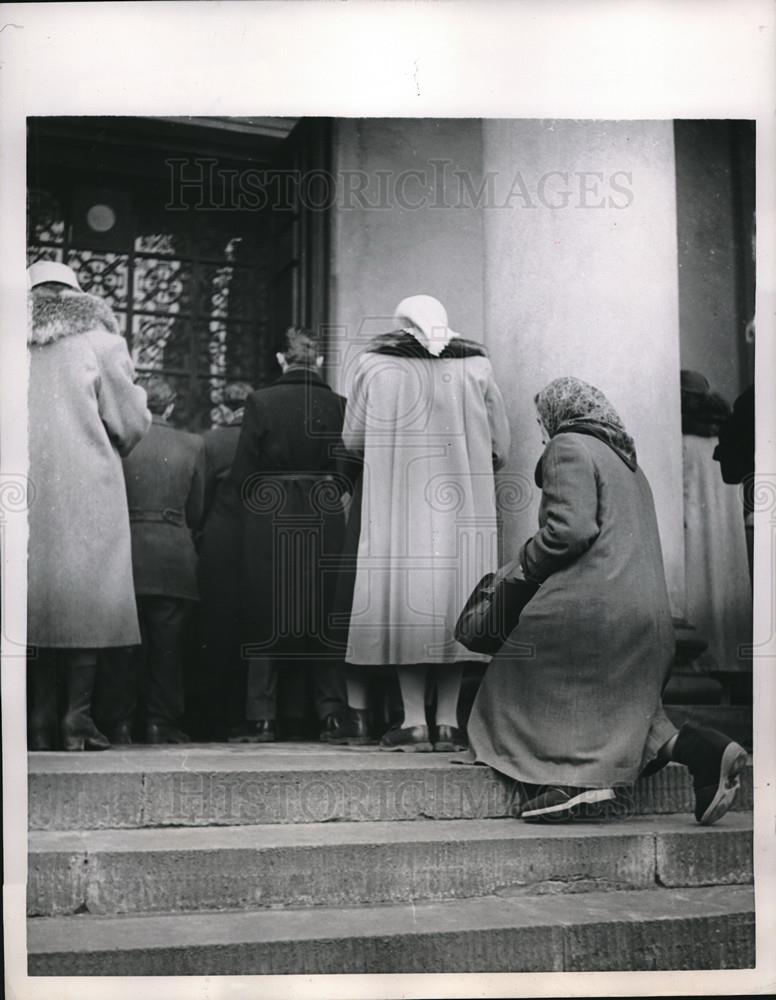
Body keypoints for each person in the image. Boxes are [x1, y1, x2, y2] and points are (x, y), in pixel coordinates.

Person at [466, 376, 747, 825]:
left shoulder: (567, 446)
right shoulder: (628, 461)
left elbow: (569, 531)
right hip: (648, 618)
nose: (542, 432)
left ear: (560, 415)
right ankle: (706, 751)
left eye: (542, 421)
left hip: (596, 611)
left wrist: (521, 568)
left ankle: (580, 782)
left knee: (513, 672)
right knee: (629, 712)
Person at [336, 295, 510, 751]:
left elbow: (351, 438)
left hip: (400, 504)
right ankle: (450, 723)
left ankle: (413, 721)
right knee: (461, 606)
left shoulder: (375, 365)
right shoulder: (477, 367)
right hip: (461, 507)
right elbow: (501, 445)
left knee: (405, 605)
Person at [202, 327, 350, 742]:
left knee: (267, 611)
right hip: (323, 513)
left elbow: (244, 470)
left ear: (282, 360)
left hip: (271, 513)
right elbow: (344, 472)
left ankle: (262, 717)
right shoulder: (338, 404)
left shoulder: (260, 401)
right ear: (317, 361)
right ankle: (330, 715)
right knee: (321, 611)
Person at [26, 261, 151, 751]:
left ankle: (36, 721)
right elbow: (131, 422)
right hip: (87, 490)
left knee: (33, 604)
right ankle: (76, 722)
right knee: (87, 602)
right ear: (77, 295)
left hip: (23, 493)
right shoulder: (101, 343)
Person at [100, 376, 205, 744]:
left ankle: (120, 723)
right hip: (172, 556)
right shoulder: (193, 445)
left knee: (122, 648)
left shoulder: (119, 443)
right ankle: (160, 723)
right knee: (167, 647)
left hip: (124, 554)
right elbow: (197, 509)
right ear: (172, 406)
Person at [680, 370, 752, 672]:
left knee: (698, 589)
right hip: (727, 535)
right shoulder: (726, 440)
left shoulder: (681, 442)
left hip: (694, 533)